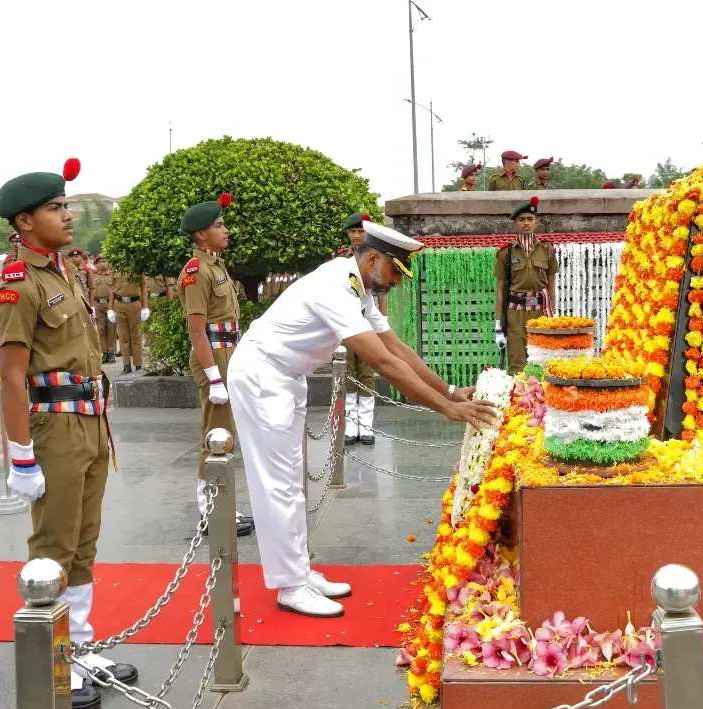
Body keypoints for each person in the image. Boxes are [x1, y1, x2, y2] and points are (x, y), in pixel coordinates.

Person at [227, 219, 498, 617]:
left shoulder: (358, 285)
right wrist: (448, 409)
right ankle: (289, 586)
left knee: (292, 481)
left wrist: (448, 390)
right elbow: (383, 362)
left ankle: (298, 571)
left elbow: (395, 346)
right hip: (263, 375)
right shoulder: (334, 285)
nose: (397, 282)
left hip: (284, 377)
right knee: (278, 484)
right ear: (372, 258)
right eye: (394, 272)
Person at [0, 158, 137, 709]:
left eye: (65, 205)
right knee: (53, 543)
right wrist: (21, 456)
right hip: (54, 428)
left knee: (84, 540)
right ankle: (52, 659)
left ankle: (77, 646)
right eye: (55, 208)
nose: (67, 215)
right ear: (25, 222)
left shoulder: (63, 271)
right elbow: (10, 376)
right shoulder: (18, 286)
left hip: (91, 420)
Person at [177, 193, 255, 538]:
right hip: (214, 356)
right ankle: (210, 510)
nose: (226, 230)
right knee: (216, 434)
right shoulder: (196, 271)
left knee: (226, 434)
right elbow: (197, 330)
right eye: (219, 226)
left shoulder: (215, 265)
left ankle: (224, 505)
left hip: (228, 351)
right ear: (200, 235)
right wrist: (214, 378)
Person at [494, 196, 558, 375]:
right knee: (517, 364)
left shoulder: (547, 250)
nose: (526, 223)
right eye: (521, 219)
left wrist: (553, 317)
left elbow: (551, 286)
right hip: (516, 314)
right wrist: (498, 326)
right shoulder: (505, 253)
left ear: (536, 223)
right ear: (515, 224)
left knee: (543, 361)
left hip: (541, 312)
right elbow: (500, 291)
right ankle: (518, 402)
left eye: (530, 219)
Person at [337, 213, 385, 445]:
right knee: (348, 374)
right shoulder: (340, 259)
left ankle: (366, 426)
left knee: (366, 375)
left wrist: (384, 319)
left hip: (366, 322)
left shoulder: (374, 258)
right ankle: (351, 427)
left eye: (361, 232)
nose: (357, 236)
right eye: (353, 232)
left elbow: (381, 290)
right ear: (348, 234)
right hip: (345, 324)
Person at [108, 269, 149, 374]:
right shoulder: (115, 268)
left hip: (134, 303)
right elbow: (112, 288)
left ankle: (138, 365)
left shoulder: (136, 266)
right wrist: (110, 309)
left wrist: (145, 307)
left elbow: (143, 287)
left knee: (136, 336)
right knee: (123, 336)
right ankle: (126, 365)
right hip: (119, 303)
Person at [92, 256, 117, 364]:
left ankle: (111, 352)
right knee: (101, 330)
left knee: (111, 329)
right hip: (98, 304)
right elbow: (91, 291)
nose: (102, 263)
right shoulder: (93, 276)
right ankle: (104, 352)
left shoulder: (112, 275)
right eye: (99, 262)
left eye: (104, 261)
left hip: (109, 303)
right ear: (96, 264)